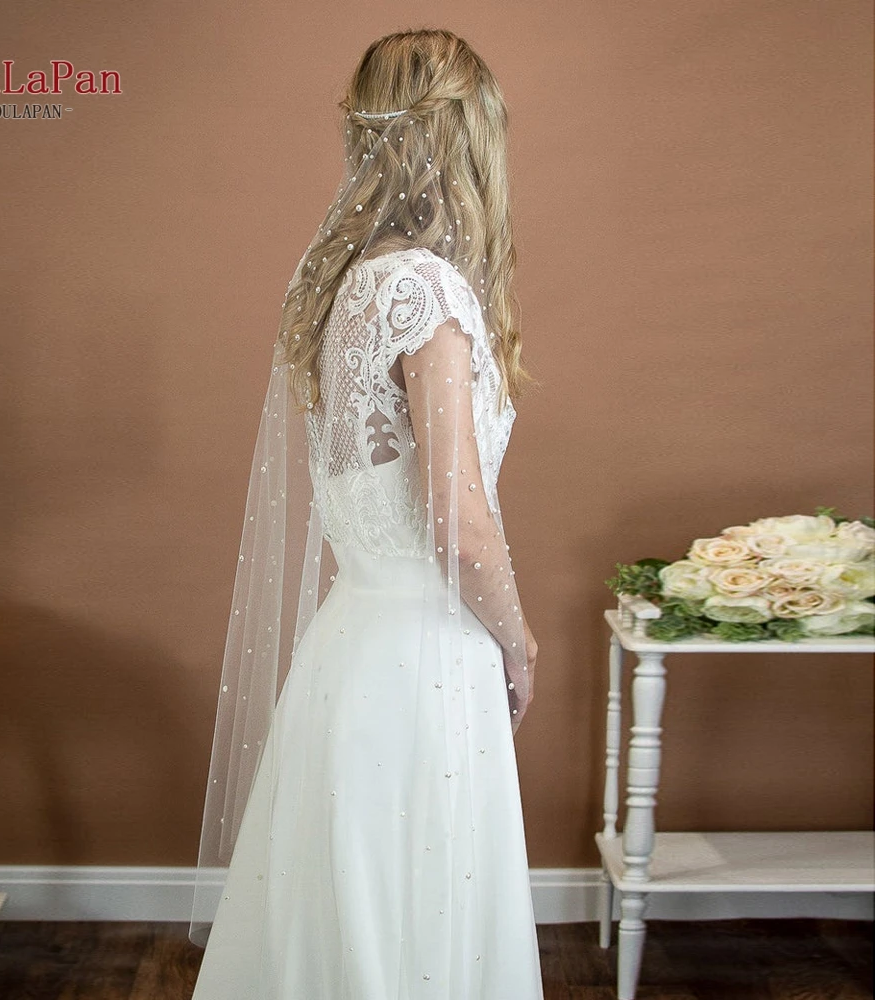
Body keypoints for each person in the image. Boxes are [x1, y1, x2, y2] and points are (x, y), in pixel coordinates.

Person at [189, 28, 543, 999]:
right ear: (468, 135)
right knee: (417, 925)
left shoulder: (348, 285)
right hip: (424, 658)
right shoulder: (426, 288)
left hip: (350, 650)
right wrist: (517, 643)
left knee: (350, 923)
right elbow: (455, 518)